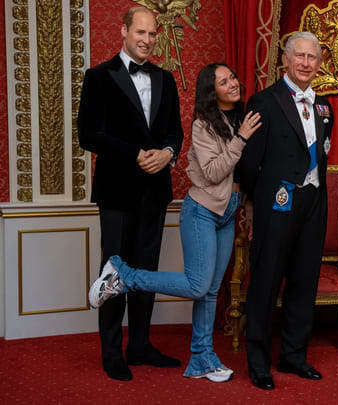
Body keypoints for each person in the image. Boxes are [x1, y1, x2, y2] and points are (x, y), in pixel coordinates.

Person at [87, 62, 262, 383]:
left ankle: (201, 359)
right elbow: (213, 172)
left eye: (233, 77)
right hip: (202, 211)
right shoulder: (204, 125)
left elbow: (246, 171)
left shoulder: (243, 117)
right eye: (224, 82)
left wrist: (247, 203)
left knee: (210, 292)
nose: (233, 83)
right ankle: (122, 275)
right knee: (197, 286)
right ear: (213, 92)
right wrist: (241, 138)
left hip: (229, 210)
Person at [78, 6, 184, 381]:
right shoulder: (98, 76)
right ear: (123, 31)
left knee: (146, 273)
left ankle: (140, 345)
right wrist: (136, 154)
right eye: (140, 32)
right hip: (116, 192)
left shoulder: (165, 79)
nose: (147, 40)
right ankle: (111, 352)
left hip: (155, 192)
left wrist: (168, 153)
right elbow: (88, 135)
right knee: (115, 273)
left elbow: (175, 131)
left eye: (152, 34)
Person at [236, 31, 333, 391]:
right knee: (265, 282)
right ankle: (259, 363)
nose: (306, 64)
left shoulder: (325, 106)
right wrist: (253, 200)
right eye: (300, 57)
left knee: (304, 281)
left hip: (313, 204)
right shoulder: (264, 101)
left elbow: (323, 152)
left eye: (312, 58)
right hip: (277, 202)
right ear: (286, 60)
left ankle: (293, 356)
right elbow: (248, 163)